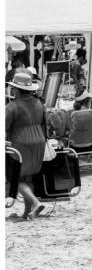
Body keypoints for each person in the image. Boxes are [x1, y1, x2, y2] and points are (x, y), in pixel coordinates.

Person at [5, 72, 47, 219]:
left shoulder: (12, 106)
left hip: (20, 144)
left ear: (17, 89)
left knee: (15, 179)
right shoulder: (39, 103)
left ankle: (35, 203)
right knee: (28, 178)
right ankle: (27, 213)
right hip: (39, 142)